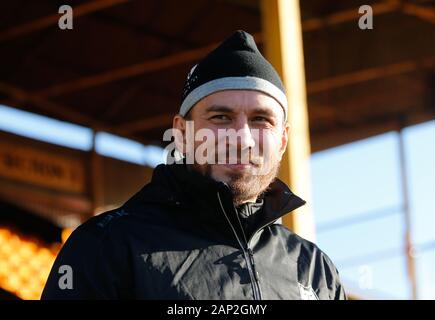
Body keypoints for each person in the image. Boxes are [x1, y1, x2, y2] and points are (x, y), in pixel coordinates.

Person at [42, 30, 346, 300]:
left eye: (260, 120)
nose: (241, 138)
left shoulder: (315, 270)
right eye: (220, 117)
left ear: (282, 140)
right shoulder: (104, 247)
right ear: (182, 134)